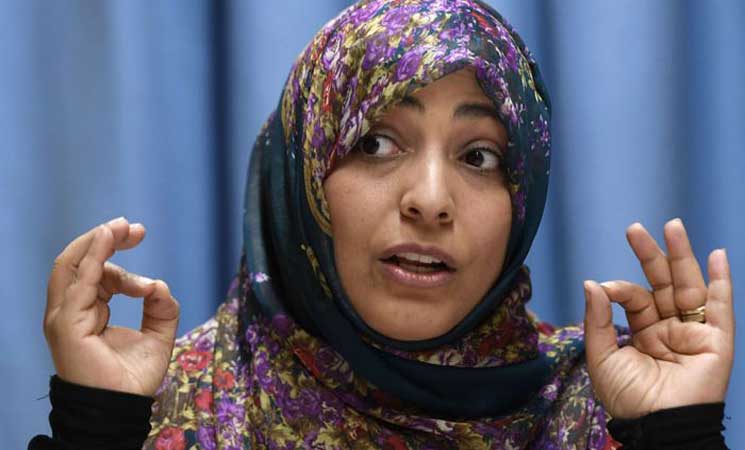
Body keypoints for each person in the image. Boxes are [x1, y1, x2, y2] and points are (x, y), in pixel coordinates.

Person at [29, 0, 734, 449]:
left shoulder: (605, 409)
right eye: (374, 143)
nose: (429, 200)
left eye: (479, 156)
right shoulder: (166, 406)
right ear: (302, 176)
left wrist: (678, 433)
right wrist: (97, 425)